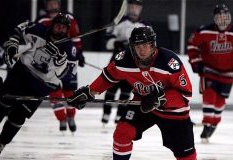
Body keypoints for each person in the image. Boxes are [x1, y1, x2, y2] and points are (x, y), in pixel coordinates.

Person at [67, 26, 197, 160]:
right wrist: (89, 92)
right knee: (122, 133)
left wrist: (160, 99)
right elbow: (107, 77)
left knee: (186, 156)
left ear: (153, 45)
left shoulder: (169, 62)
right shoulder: (124, 59)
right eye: (137, 46)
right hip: (142, 104)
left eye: (146, 45)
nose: (142, 50)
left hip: (174, 113)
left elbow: (185, 93)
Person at [0, 13, 78, 156]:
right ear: (52, 25)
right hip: (23, 72)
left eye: (63, 28)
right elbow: (19, 30)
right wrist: (13, 45)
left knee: (19, 116)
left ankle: (2, 142)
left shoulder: (69, 49)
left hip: (42, 85)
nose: (60, 30)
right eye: (57, 26)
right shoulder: (37, 30)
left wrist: (60, 64)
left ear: (67, 30)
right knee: (5, 98)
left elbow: (69, 75)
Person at [187, 4, 233, 143]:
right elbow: (192, 46)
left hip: (227, 75)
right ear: (215, 18)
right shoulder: (203, 31)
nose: (223, 20)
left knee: (220, 103)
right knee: (209, 95)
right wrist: (196, 62)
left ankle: (214, 123)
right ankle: (207, 123)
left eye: (225, 17)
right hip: (209, 71)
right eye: (220, 17)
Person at [36, 0, 84, 133]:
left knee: (70, 91)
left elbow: (76, 38)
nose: (52, 6)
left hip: (69, 60)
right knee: (54, 92)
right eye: (49, 3)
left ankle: (71, 117)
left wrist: (79, 54)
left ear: (58, 4)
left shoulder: (70, 18)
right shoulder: (41, 21)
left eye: (54, 3)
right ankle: (61, 119)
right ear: (46, 6)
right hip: (50, 63)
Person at [102, 0, 148, 124]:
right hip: (117, 61)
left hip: (133, 64)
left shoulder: (145, 26)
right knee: (111, 88)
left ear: (141, 9)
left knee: (126, 92)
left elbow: (149, 47)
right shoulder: (119, 22)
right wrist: (116, 44)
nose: (134, 9)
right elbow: (108, 42)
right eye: (132, 6)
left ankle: (119, 116)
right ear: (128, 8)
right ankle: (106, 114)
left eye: (137, 7)